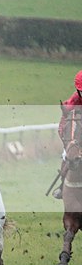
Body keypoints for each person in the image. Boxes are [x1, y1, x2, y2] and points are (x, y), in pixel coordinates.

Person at [52, 69, 82, 199]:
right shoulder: (74, 100)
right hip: (77, 138)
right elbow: (64, 123)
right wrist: (68, 142)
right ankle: (62, 185)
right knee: (67, 155)